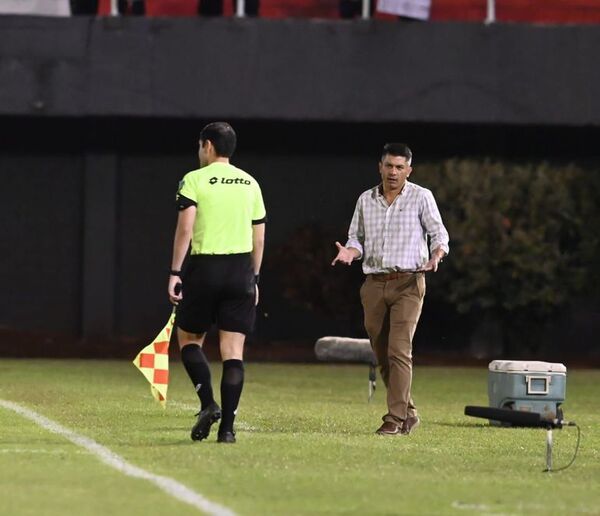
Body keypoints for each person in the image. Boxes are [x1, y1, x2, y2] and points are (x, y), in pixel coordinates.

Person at [332, 143, 449, 436]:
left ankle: (394, 420)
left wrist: (436, 256)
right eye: (389, 166)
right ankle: (408, 411)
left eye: (400, 167)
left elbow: (439, 234)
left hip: (408, 283)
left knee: (399, 350)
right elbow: (356, 239)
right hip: (374, 285)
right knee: (382, 354)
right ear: (380, 167)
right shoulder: (366, 199)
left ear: (409, 170)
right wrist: (349, 252)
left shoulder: (422, 197)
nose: (394, 172)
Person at [168, 122, 266, 444]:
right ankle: (228, 431)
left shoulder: (194, 180)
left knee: (189, 340)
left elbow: (185, 230)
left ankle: (208, 404)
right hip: (240, 271)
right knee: (233, 351)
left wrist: (175, 273)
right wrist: (254, 278)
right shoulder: (251, 182)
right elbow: (259, 237)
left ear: (207, 145)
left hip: (205, 268)